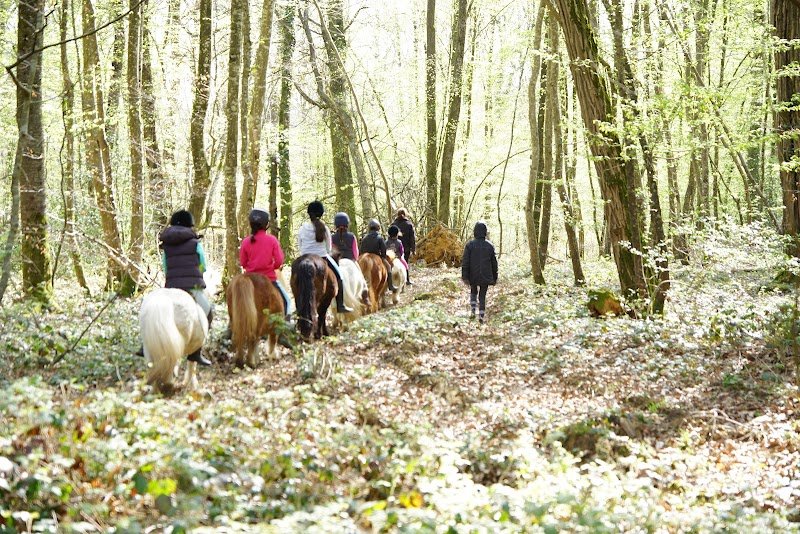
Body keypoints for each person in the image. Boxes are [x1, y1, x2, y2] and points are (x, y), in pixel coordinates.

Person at [140, 209, 213, 365]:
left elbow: (165, 266)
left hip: (171, 286)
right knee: (208, 312)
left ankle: (144, 345)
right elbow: (203, 265)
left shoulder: (166, 244)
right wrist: (198, 273)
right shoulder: (195, 243)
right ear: (190, 224)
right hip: (192, 287)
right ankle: (195, 353)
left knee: (150, 311)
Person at [297, 201, 352, 313]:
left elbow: (300, 246)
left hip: (305, 257)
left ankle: (298, 308)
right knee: (339, 276)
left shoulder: (302, 228)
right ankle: (340, 305)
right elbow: (328, 248)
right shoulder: (325, 228)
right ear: (321, 214)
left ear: (309, 213)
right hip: (322, 257)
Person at [239, 208, 292, 323]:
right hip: (269, 279)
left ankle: (231, 327)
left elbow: (243, 263)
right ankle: (285, 328)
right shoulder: (272, 240)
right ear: (266, 225)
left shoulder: (246, 242)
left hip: (250, 280)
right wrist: (271, 267)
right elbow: (279, 261)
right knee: (287, 301)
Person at [461, 221, 498, 324]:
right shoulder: (490, 246)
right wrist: (495, 277)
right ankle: (481, 316)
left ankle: (473, 310)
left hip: (473, 274)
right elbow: (494, 264)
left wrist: (465, 275)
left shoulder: (470, 245)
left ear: (475, 231)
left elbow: (465, 261)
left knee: (473, 291)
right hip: (486, 275)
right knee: (482, 295)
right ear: (485, 232)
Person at [360, 219, 396, 291]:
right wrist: (383, 256)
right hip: (377, 255)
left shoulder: (364, 238)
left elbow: (361, 250)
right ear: (378, 227)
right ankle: (390, 285)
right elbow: (383, 250)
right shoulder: (379, 237)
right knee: (389, 266)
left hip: (365, 256)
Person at [391, 208, 416, 285]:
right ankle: (407, 280)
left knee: (394, 264)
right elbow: (412, 238)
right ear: (405, 214)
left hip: (394, 248)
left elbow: (390, 236)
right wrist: (413, 249)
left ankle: (393, 280)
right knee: (405, 263)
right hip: (406, 248)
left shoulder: (393, 225)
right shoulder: (409, 224)